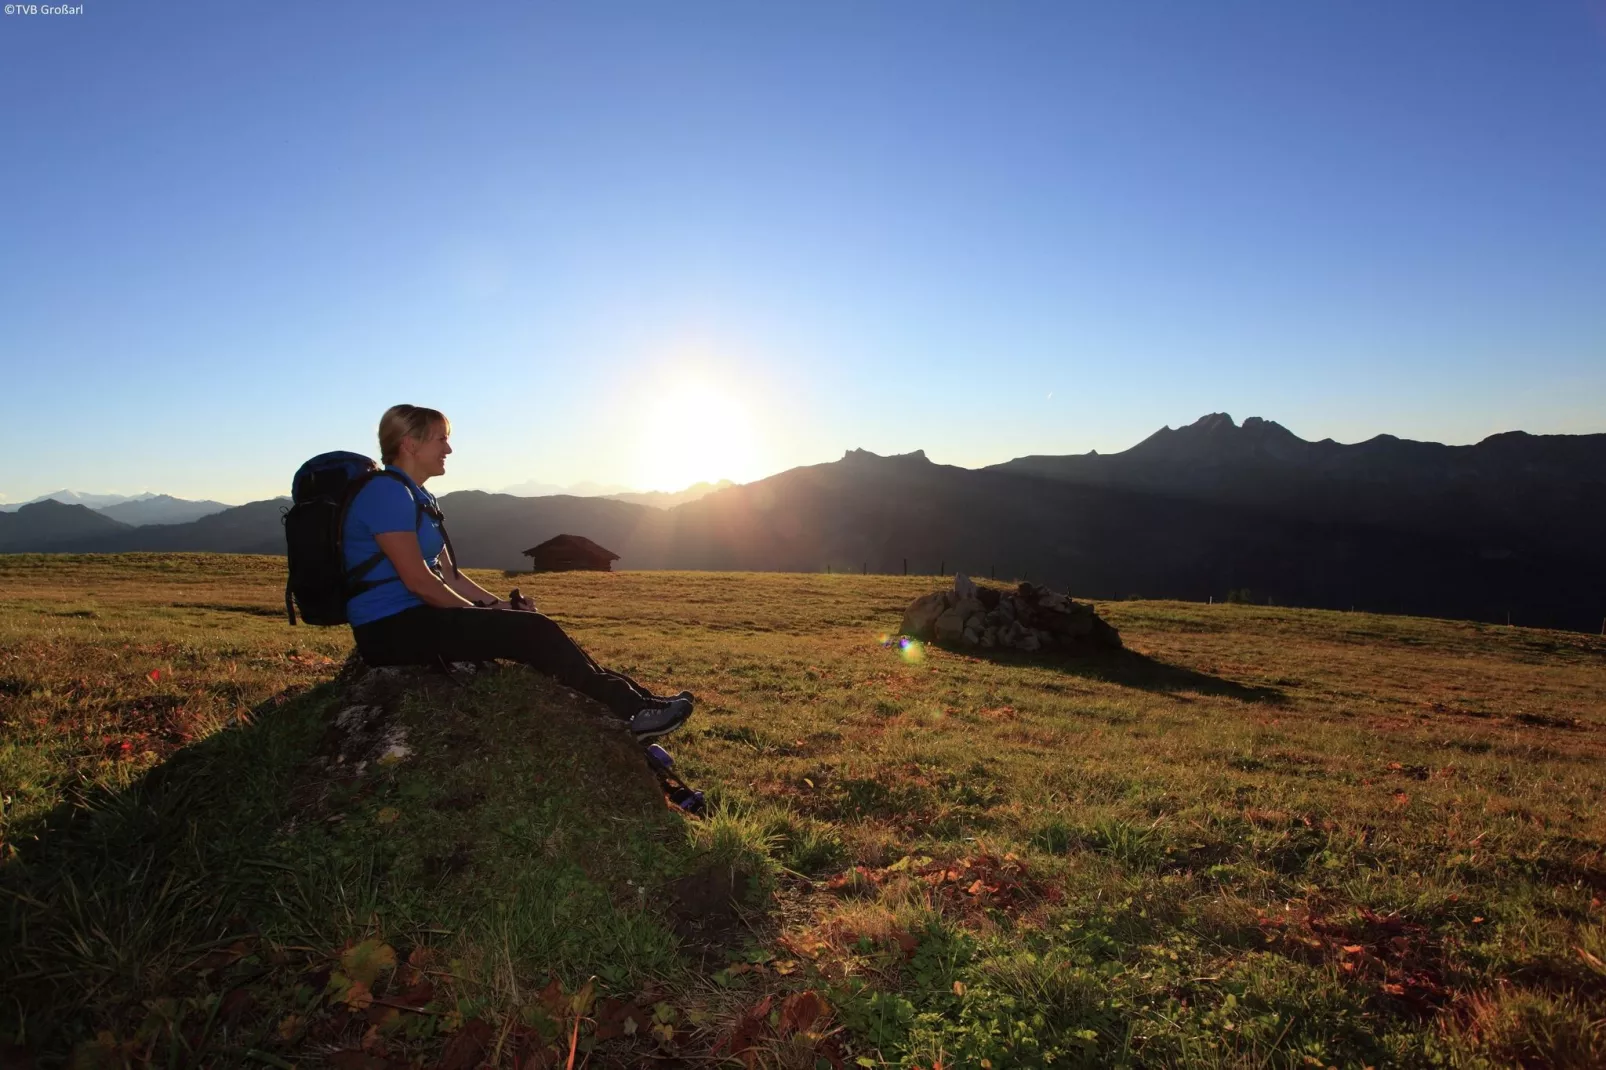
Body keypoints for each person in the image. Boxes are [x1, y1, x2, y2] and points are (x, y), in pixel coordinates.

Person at [344, 404, 693, 740]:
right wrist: (482, 618)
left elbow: (451, 577)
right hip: (388, 629)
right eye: (440, 438)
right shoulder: (386, 494)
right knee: (532, 632)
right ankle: (633, 713)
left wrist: (500, 608)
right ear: (410, 443)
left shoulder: (418, 496)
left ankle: (641, 702)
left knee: (534, 625)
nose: (448, 448)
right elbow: (419, 582)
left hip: (416, 617)